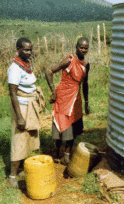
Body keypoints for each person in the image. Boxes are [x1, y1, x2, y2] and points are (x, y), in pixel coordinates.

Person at [45, 37, 91, 165]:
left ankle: (67, 155)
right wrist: (53, 92)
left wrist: (87, 103)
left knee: (73, 125)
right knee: (61, 123)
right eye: (81, 47)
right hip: (63, 97)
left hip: (76, 98)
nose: (83, 50)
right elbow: (48, 72)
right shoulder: (68, 61)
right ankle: (56, 149)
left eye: (86, 48)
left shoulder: (86, 65)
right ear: (76, 47)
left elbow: (85, 84)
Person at [7, 37, 45, 188]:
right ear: (18, 49)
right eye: (25, 49)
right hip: (21, 108)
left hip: (30, 105)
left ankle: (22, 170)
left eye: (30, 49)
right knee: (19, 140)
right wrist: (20, 117)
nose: (29, 52)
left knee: (28, 140)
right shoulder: (15, 68)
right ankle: (12, 177)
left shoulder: (26, 64)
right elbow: (12, 94)